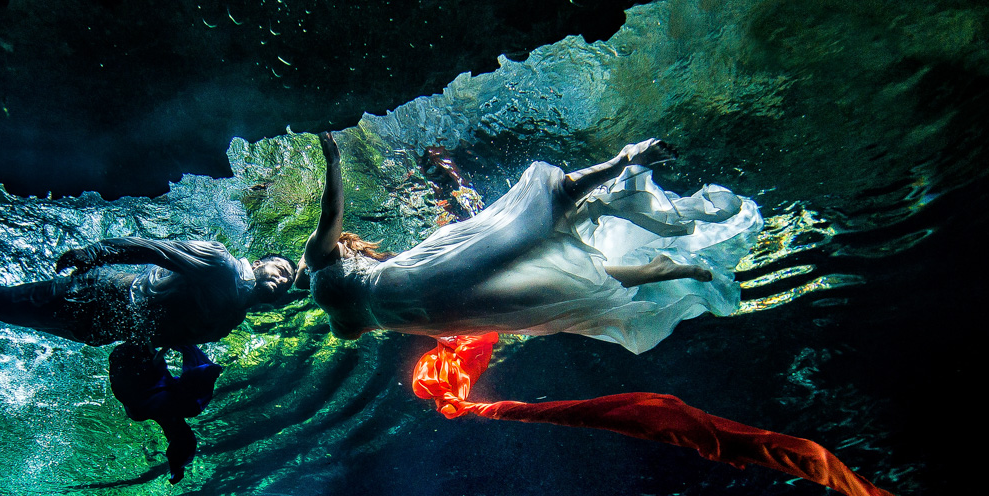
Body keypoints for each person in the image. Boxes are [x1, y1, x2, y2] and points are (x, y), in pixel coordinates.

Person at [0, 239, 296, 481]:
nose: (281, 279)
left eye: (288, 281)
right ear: (258, 263)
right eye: (279, 268)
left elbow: (170, 337)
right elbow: (154, 250)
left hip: (102, 330)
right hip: (95, 293)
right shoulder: (220, 264)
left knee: (10, 311)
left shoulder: (229, 320)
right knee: (6, 304)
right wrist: (96, 253)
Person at [303, 133, 761, 354]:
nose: (291, 272)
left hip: (441, 304)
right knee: (544, 250)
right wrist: (333, 157)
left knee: (540, 241)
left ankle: (630, 176)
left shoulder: (328, 285)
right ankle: (634, 185)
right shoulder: (331, 283)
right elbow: (332, 214)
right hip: (437, 296)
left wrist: (334, 159)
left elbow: (332, 215)